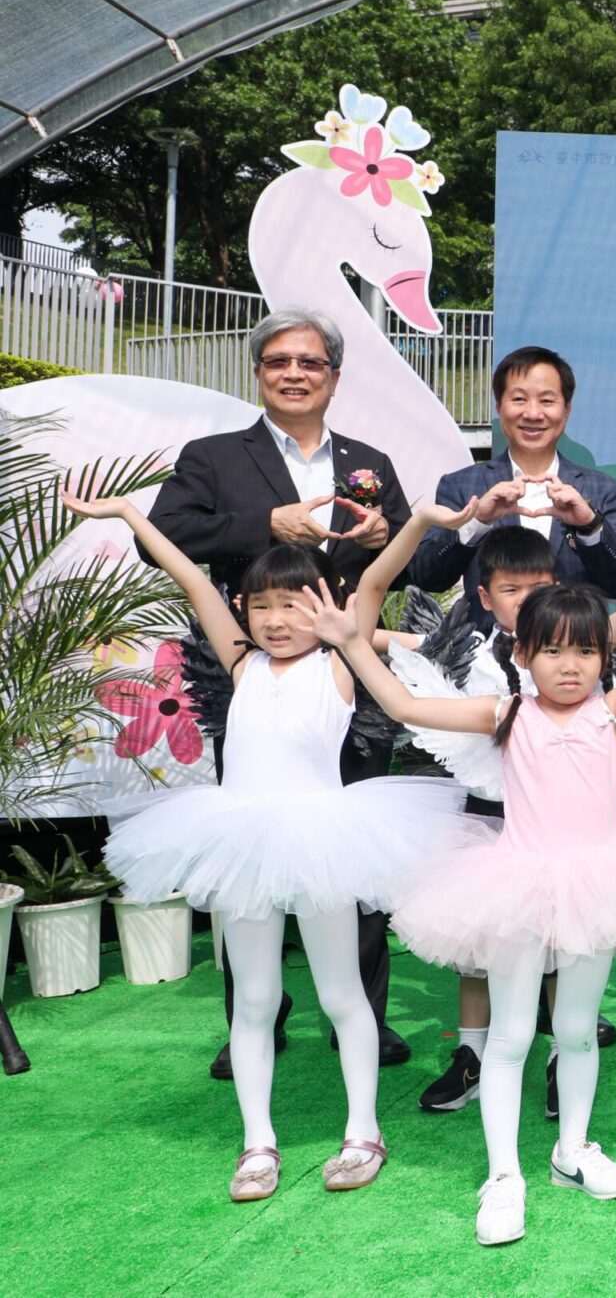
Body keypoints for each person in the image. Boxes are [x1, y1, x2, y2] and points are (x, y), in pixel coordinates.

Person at [313, 574, 616, 1244]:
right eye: (552, 650)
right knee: (511, 1036)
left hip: (598, 883)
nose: (569, 665)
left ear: (603, 657)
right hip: (516, 886)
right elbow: (404, 702)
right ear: (523, 654)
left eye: (585, 650)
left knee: (576, 1030)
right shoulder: (506, 713)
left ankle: (571, 1151)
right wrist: (352, 643)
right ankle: (502, 1176)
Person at [70, 489, 473, 1202]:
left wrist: (420, 521)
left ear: (326, 604)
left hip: (322, 839)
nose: (276, 620)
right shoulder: (242, 665)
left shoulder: (341, 663)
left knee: (342, 993)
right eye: (261, 607)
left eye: (294, 604)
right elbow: (194, 581)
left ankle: (363, 1131)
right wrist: (132, 518)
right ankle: (257, 1142)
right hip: (244, 842)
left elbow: (376, 581)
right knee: (253, 999)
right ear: (244, 611)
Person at [356, 482, 616, 1114]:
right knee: (485, 940)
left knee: (566, 936)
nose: (525, 600)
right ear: (484, 597)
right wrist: (356, 638)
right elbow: (405, 680)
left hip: (571, 820)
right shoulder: (471, 654)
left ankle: (559, 1058)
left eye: (537, 586)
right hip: (494, 817)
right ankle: (474, 1054)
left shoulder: (579, 657)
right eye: (511, 589)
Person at [142, 306, 414, 1076]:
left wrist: (379, 537)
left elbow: (405, 559)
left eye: (310, 362)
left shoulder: (368, 460)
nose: (295, 373)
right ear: (259, 372)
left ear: (334, 375)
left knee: (350, 843)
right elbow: (162, 539)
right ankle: (253, 1017)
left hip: (347, 672)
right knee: (251, 842)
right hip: (253, 672)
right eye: (279, 362)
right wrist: (267, 523)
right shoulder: (214, 456)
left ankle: (362, 1013)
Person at [405, 346, 616, 628]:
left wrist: (589, 526)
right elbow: (429, 577)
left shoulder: (603, 490)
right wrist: (477, 521)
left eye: (547, 401)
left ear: (566, 410)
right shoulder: (461, 486)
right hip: (486, 650)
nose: (533, 413)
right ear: (498, 406)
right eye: (519, 399)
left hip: (573, 649)